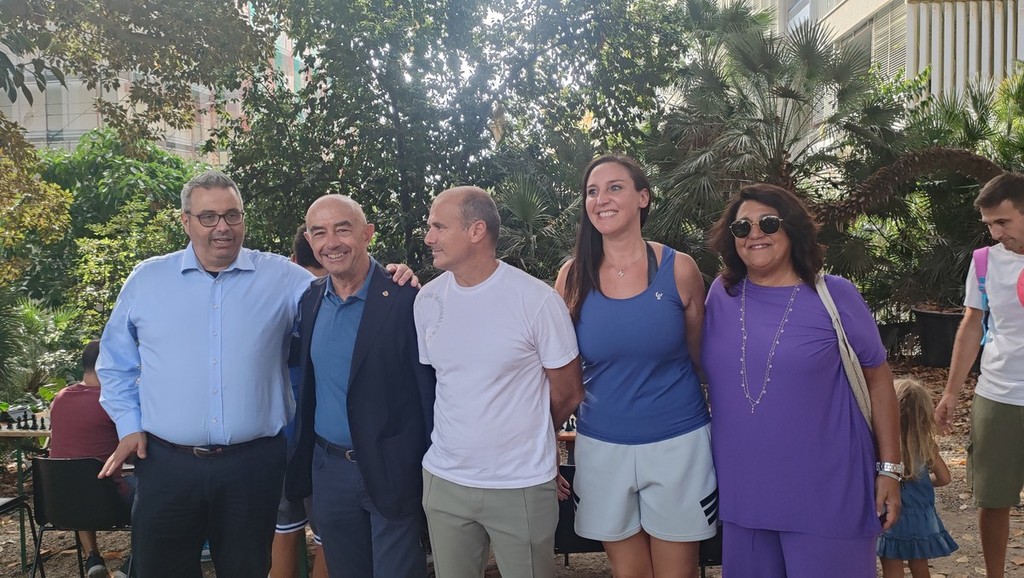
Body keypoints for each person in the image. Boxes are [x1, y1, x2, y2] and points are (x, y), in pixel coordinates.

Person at [96, 169, 318, 578]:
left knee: (247, 569)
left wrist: (390, 277)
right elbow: (114, 363)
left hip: (253, 466)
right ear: (186, 221)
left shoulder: (284, 279)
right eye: (208, 217)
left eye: (232, 215)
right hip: (166, 464)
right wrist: (128, 424)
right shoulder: (147, 280)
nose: (223, 227)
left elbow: (343, 294)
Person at [701, 183, 902, 577]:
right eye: (742, 227)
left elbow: (879, 380)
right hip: (745, 495)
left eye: (768, 223)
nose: (754, 234)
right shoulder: (721, 296)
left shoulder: (835, 295)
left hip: (829, 493)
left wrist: (889, 469)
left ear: (792, 228)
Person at [554, 154, 716, 578]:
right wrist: (545, 443)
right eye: (592, 191)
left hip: (679, 442)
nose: (601, 199)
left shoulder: (679, 269)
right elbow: (558, 373)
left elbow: (702, 359)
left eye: (615, 187)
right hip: (602, 444)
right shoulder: (571, 277)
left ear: (643, 198)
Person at [414, 186, 584, 578]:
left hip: (520, 484)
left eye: (439, 227)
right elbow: (442, 384)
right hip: (445, 481)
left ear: (476, 231)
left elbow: (570, 391)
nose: (428, 238)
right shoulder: (427, 301)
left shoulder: (536, 300)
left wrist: (533, 434)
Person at [285, 195, 436, 577]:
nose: (331, 242)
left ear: (367, 233)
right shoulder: (310, 300)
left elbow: (428, 393)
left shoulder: (405, 298)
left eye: (343, 229)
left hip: (392, 470)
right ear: (309, 240)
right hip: (330, 471)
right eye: (319, 233)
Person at [934, 172, 1024, 578]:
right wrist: (951, 392)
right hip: (998, 395)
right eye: (989, 224)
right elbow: (972, 325)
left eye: (1003, 221)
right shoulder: (985, 261)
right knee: (992, 499)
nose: (995, 232)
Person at [271, 225, 327, 578]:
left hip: (279, 435)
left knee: (284, 530)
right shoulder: (338, 298)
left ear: (293, 260)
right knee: (329, 538)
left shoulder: (275, 302)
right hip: (322, 440)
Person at [49, 340, 132, 578]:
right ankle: (131, 565)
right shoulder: (112, 403)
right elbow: (137, 449)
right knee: (156, 494)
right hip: (108, 502)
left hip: (60, 504)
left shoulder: (59, 398)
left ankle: (92, 558)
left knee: (79, 480)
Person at [878, 378, 958, 578]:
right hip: (920, 519)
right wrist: (924, 483)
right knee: (920, 565)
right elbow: (945, 478)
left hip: (890, 517)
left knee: (892, 565)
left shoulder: (882, 448)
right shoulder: (926, 446)